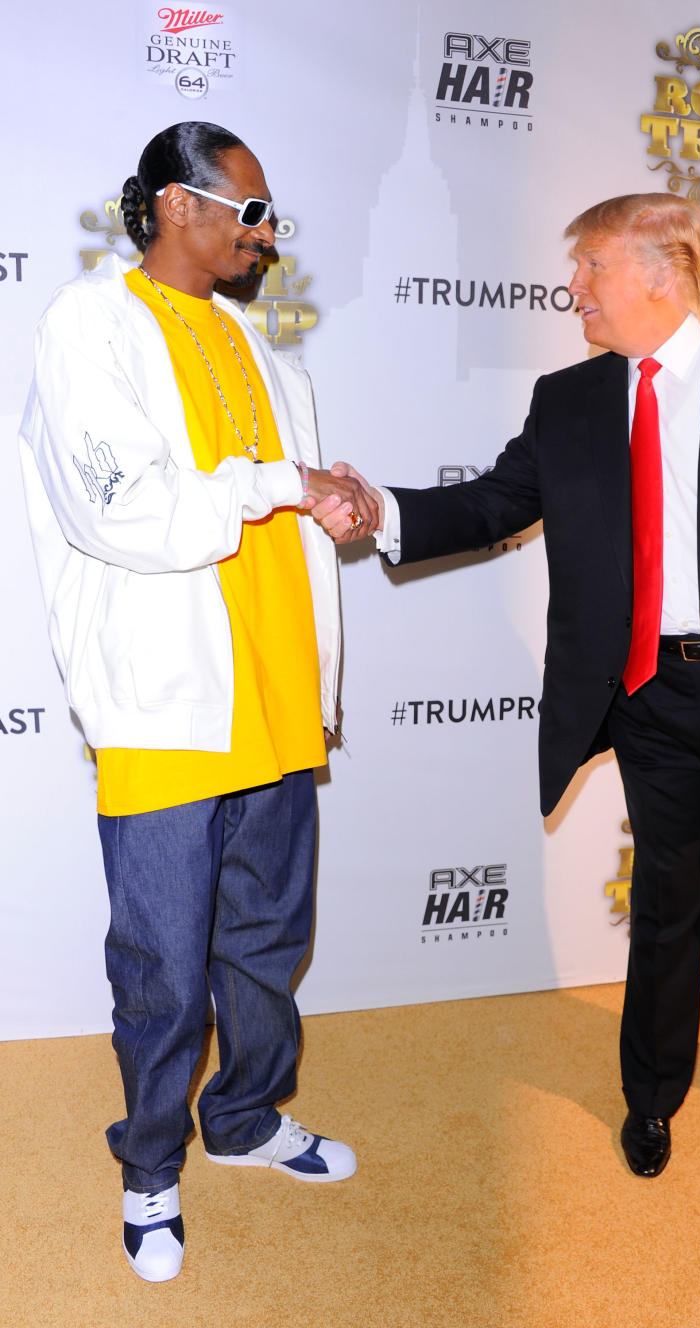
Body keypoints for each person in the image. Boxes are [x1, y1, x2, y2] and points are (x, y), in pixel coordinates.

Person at [315, 193, 700, 1179]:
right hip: (648, 697)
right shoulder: (571, 400)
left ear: (663, 269)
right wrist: (378, 508)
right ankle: (651, 1097)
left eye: (591, 266)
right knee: (666, 902)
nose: (575, 288)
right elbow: (491, 503)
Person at [19, 121, 377, 1282]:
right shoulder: (89, 326)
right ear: (180, 205)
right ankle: (151, 1167)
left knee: (268, 941)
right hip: (168, 707)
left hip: (278, 701)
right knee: (166, 961)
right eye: (252, 212)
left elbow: (286, 511)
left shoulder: (270, 356)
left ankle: (249, 1115)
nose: (267, 235)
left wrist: (339, 505)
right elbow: (132, 512)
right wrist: (286, 483)